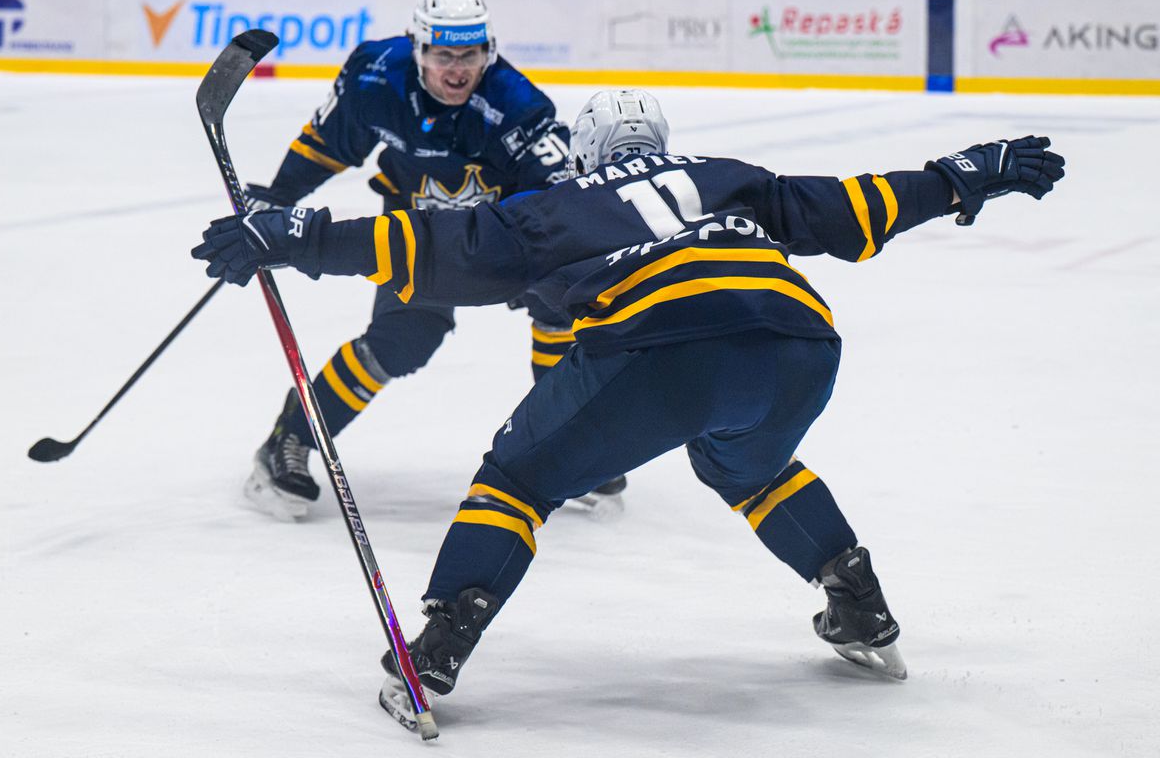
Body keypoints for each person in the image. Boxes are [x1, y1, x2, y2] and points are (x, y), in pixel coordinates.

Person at [192, 90, 1065, 725]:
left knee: (518, 477)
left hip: (662, 350)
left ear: (593, 147)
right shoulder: (728, 176)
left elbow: (445, 249)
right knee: (746, 463)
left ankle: (443, 643)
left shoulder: (565, 201)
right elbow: (850, 210)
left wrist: (298, 239)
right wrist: (962, 177)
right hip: (797, 345)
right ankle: (858, 597)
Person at [243, 0, 626, 521]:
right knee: (404, 339)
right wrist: (276, 203)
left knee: (561, 305)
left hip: (504, 230)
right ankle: (291, 437)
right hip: (416, 233)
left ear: (487, 52)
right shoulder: (375, 74)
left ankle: (566, 449)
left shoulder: (516, 105)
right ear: (418, 47)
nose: (456, 70)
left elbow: (557, 197)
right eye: (443, 55)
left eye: (469, 55)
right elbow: (329, 142)